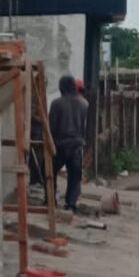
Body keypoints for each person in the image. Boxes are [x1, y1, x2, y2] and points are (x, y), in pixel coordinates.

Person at [49, 75, 89, 212]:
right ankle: (71, 203)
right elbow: (84, 127)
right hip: (76, 144)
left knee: (50, 172)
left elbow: (51, 126)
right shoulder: (83, 104)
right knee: (74, 176)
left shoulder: (56, 103)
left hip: (59, 145)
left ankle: (50, 199)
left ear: (62, 87)